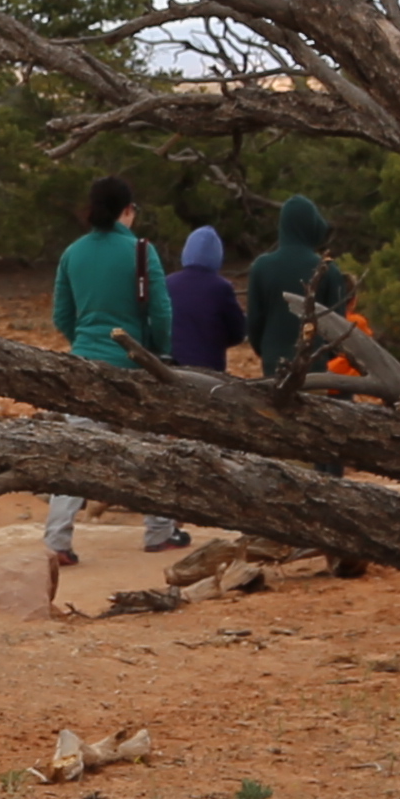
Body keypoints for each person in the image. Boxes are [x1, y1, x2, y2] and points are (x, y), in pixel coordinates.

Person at [40, 173, 163, 562]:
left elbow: (62, 313)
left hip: (85, 363)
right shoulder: (143, 252)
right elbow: (161, 311)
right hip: (134, 366)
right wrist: (160, 355)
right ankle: (159, 530)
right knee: (148, 451)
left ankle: (57, 541)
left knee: (76, 453)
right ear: (127, 210)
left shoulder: (73, 253)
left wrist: (83, 341)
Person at [148, 223, 241, 549]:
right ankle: (189, 512)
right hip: (207, 378)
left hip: (168, 371)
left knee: (166, 445)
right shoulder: (221, 288)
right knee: (201, 445)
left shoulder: (168, 283)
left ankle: (163, 520)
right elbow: (238, 331)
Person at [248, 188, 358, 388]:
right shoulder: (328, 269)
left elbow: (254, 323)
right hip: (314, 371)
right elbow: (338, 329)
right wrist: (323, 356)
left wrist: (267, 351)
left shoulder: (261, 267)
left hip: (273, 367)